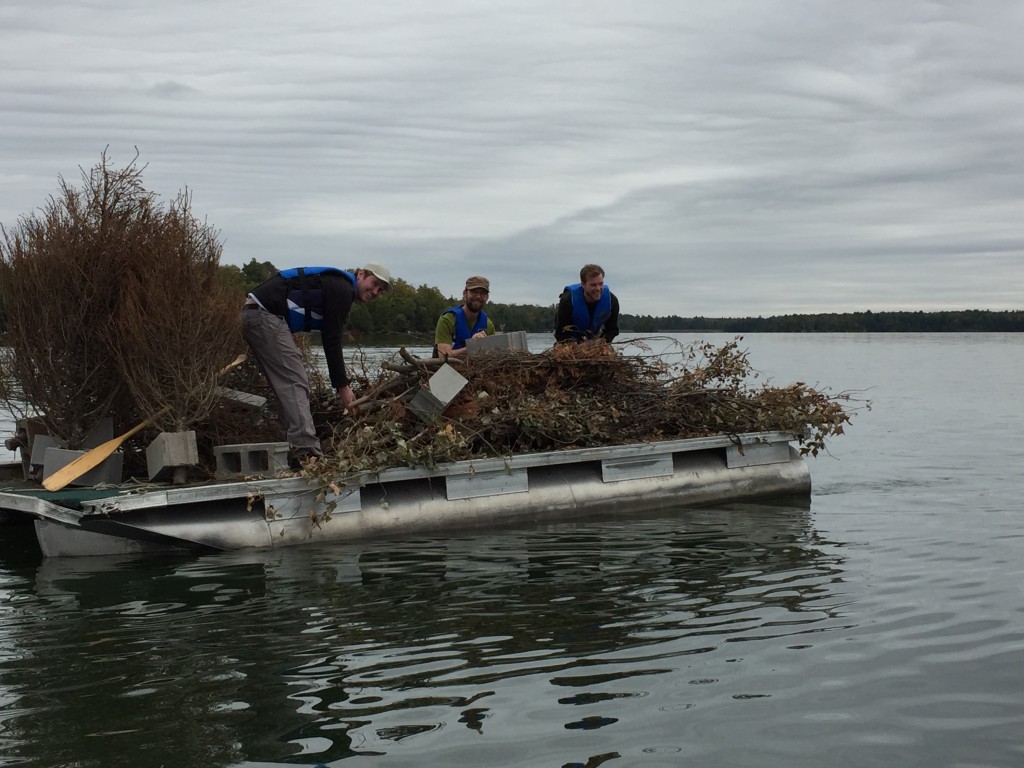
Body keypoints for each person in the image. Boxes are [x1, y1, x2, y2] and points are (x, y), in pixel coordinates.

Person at [241, 263, 393, 469]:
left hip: (256, 314)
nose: (375, 292)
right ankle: (307, 454)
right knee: (295, 381)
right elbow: (332, 339)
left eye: (380, 290)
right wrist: (343, 387)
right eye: (374, 284)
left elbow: (329, 336)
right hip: (264, 315)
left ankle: (290, 449)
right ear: (360, 274)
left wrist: (341, 384)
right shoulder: (343, 289)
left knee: (287, 384)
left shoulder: (339, 287)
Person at [554, 264, 620, 343]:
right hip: (569, 337)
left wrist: (601, 342)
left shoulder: (612, 301)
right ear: (583, 285)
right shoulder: (567, 300)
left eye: (600, 284)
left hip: (595, 337)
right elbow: (560, 333)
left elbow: (612, 329)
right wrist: (577, 346)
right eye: (593, 285)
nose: (598, 288)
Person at [433, 275, 495, 358]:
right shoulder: (447, 320)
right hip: (448, 366)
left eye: (483, 293)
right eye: (474, 292)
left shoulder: (488, 325)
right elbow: (443, 356)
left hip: (478, 366)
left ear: (487, 297)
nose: (478, 296)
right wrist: (472, 347)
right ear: (465, 294)